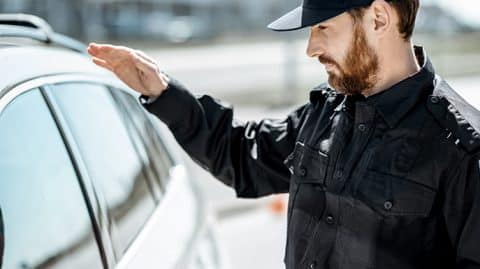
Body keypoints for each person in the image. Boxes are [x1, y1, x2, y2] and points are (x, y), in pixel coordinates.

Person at [87, 0, 480, 268]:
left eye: (323, 26)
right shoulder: (326, 112)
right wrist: (162, 92)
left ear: (378, 18)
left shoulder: (464, 151)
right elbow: (241, 154)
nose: (311, 48)